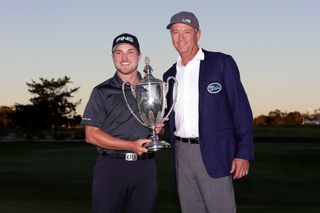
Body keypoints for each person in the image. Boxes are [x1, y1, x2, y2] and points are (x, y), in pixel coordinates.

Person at [163, 11, 254, 213]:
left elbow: (241, 109)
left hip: (215, 152)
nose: (180, 38)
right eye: (175, 32)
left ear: (198, 34)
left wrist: (243, 153)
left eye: (187, 32)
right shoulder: (169, 74)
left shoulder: (221, 63)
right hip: (181, 153)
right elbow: (169, 114)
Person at [81, 33, 157, 213]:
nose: (124, 58)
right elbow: (91, 135)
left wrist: (156, 129)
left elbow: (152, 124)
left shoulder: (151, 89)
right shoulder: (102, 91)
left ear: (139, 55)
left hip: (145, 168)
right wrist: (130, 145)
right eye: (118, 52)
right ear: (112, 56)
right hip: (111, 168)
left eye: (130, 52)